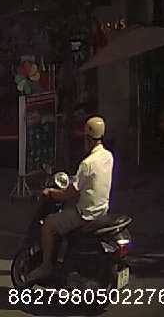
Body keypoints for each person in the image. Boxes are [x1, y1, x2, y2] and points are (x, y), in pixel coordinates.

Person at [25, 115, 114, 284]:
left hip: (85, 214)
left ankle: (46, 265)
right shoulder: (108, 157)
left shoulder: (87, 163)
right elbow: (90, 182)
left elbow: (69, 194)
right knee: (66, 214)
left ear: (88, 138)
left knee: (49, 223)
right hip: (101, 210)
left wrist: (51, 192)